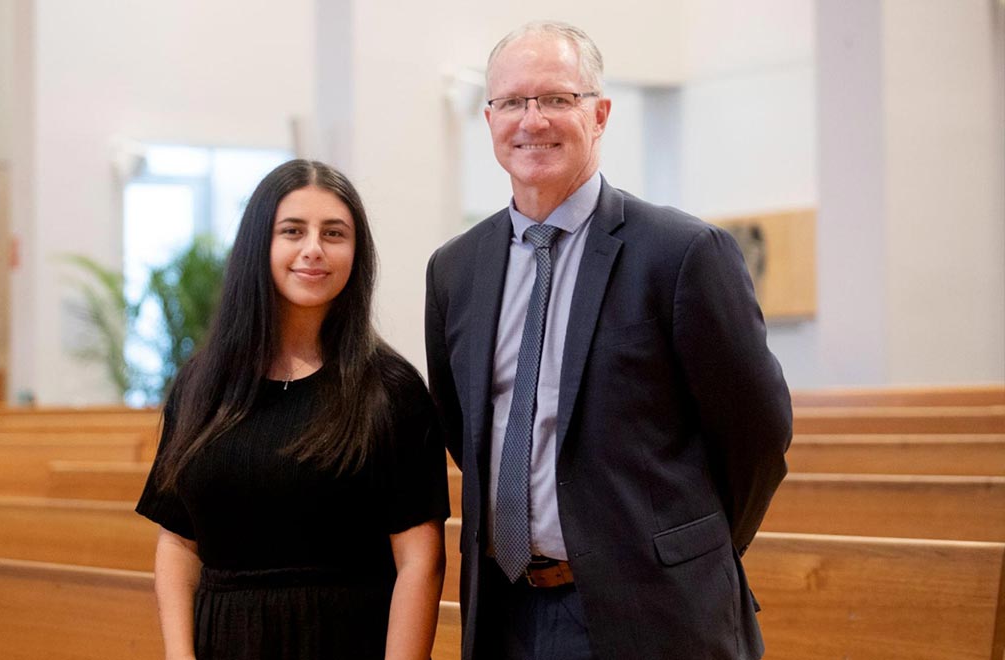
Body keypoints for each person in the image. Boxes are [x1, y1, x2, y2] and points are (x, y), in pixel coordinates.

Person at [424, 21, 792, 660]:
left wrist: (680, 548)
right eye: (512, 101)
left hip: (652, 611)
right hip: (505, 611)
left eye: (556, 99)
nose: (532, 120)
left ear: (599, 113)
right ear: (489, 120)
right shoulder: (456, 269)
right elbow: (463, 428)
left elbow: (758, 433)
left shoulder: (681, 253)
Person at [137, 159, 449, 660]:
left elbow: (420, 559)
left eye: (334, 233)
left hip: (345, 639)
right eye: (292, 231)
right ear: (260, 244)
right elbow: (177, 543)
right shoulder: (202, 384)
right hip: (224, 641)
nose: (313, 250)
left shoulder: (391, 390)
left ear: (357, 251)